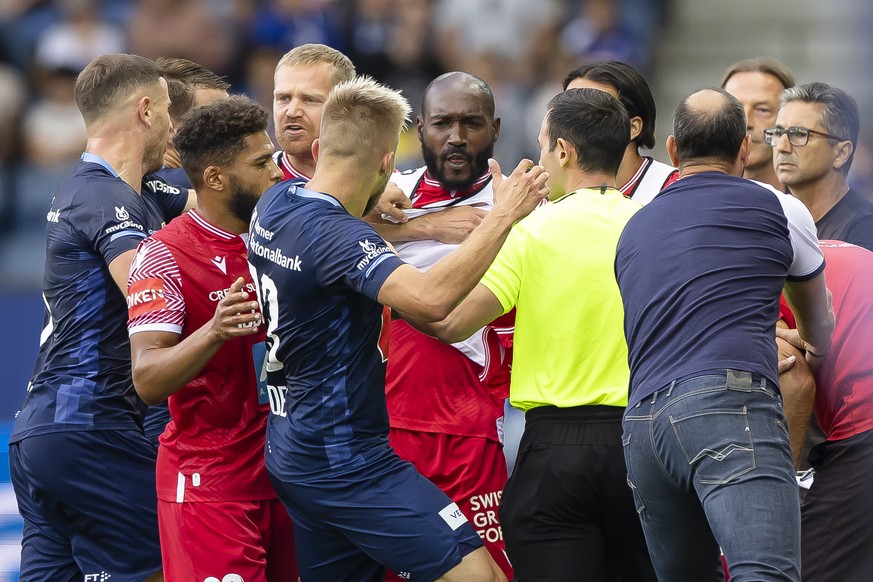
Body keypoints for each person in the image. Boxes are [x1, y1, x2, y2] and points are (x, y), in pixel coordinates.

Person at [248, 75, 548, 581]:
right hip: (349, 461)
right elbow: (431, 302)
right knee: (485, 576)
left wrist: (402, 221)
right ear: (389, 161)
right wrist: (506, 216)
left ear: (318, 148)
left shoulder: (275, 204)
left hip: (291, 449)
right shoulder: (337, 237)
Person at [411, 87, 657, 581]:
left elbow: (450, 321)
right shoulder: (655, 226)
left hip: (556, 452)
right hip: (645, 446)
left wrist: (383, 286)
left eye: (545, 146)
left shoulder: (532, 230)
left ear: (563, 151)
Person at [615, 88, 834, 581]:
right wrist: (803, 340)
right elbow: (818, 322)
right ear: (743, 150)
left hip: (643, 426)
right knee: (766, 573)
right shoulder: (778, 207)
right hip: (729, 406)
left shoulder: (634, 226)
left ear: (673, 151)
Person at [8, 53, 177, 582]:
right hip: (90, 428)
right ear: (145, 111)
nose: (173, 126)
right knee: (174, 564)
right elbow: (149, 296)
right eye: (170, 111)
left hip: (39, 436)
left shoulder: (107, 191)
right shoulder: (105, 199)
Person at [127, 96, 297, 582]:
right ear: (217, 178)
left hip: (290, 477)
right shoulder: (162, 256)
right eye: (262, 163)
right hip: (211, 484)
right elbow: (147, 378)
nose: (277, 173)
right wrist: (214, 332)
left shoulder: (284, 239)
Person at [384, 71, 513, 579]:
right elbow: (320, 228)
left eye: (471, 123)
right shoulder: (391, 194)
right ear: (420, 129)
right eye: (442, 123)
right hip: (387, 420)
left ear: (496, 129)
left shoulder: (519, 200)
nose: (456, 137)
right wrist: (423, 225)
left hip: (473, 425)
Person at [273, 43, 486, 243]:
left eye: (309, 99)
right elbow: (300, 238)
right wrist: (423, 228)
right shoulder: (258, 178)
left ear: (345, 106)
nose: (291, 112)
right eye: (283, 98)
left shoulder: (392, 184)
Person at [138, 56, 232, 447]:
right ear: (173, 127)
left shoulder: (136, 185)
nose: (233, 126)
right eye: (215, 118)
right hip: (182, 408)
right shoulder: (188, 184)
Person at [776, 241, 873, 582]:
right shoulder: (829, 251)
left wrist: (770, 498)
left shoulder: (755, 274)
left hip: (862, 427)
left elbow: (796, 383)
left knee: (805, 570)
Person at [770, 82, 873, 251]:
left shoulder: (864, 229)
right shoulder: (769, 222)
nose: (782, 146)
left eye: (799, 134)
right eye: (778, 133)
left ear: (841, 153)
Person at [562, 60, 678, 204]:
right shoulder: (544, 193)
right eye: (565, 111)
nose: (570, 124)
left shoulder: (672, 189)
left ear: (633, 128)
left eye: (592, 113)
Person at [721, 57, 796, 192]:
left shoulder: (807, 209)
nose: (746, 122)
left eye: (763, 110)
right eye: (733, 110)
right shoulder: (690, 200)